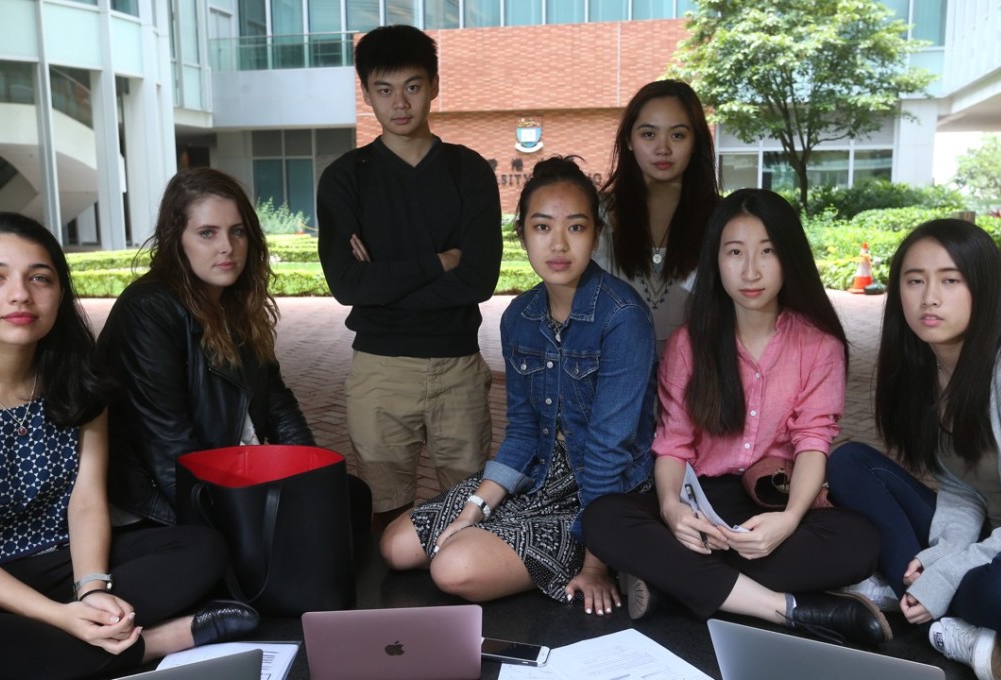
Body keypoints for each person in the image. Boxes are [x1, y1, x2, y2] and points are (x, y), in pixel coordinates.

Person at [583, 189, 889, 646]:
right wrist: (670, 509)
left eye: (767, 251)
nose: (751, 271)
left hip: (772, 502)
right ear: (716, 260)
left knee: (860, 543)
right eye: (735, 252)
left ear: (789, 257)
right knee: (603, 519)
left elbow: (813, 441)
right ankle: (785, 608)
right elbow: (673, 444)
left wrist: (789, 520)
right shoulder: (689, 344)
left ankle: (673, 581)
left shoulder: (819, 346)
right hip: (701, 501)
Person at [379, 157, 655, 615]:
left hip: (606, 486)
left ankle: (622, 553)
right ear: (522, 234)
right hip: (540, 469)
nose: (559, 244)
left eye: (576, 227)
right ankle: (512, 544)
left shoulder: (622, 316)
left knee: (452, 569)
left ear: (596, 235)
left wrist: (596, 564)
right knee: (395, 547)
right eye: (542, 227)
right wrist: (474, 510)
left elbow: (610, 450)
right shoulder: (520, 317)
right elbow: (524, 432)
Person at [0, 212, 257, 679]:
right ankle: (156, 641)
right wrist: (58, 616)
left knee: (202, 548)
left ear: (60, 293)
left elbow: (86, 502)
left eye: (39, 278)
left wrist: (92, 590)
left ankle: (77, 637)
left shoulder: (79, 381)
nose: (20, 295)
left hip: (62, 560)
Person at [317, 25, 503, 532]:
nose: (400, 103)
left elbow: (479, 280)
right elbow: (348, 286)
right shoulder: (346, 177)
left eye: (413, 86)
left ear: (434, 85)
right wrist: (440, 262)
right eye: (384, 89)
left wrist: (383, 281)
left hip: (458, 368)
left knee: (469, 514)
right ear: (366, 93)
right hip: (380, 370)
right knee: (385, 513)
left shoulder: (468, 171)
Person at [827, 220, 1001, 680]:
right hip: (983, 538)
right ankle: (942, 622)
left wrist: (948, 572)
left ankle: (915, 596)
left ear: (984, 289)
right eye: (914, 281)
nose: (929, 297)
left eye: (950, 280)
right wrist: (942, 555)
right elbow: (960, 486)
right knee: (849, 462)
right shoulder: (922, 372)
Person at [98, 168, 316, 527]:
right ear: (176, 241)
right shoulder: (149, 309)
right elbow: (169, 445)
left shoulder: (235, 303)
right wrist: (227, 525)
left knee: (345, 499)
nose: (227, 246)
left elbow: (278, 405)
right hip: (163, 501)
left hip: (232, 475)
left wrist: (312, 478)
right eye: (207, 233)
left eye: (237, 231)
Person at [593, 80, 720, 356]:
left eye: (678, 135)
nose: (663, 148)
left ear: (696, 142)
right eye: (649, 134)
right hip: (613, 372)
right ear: (629, 140)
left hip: (696, 373)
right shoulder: (596, 215)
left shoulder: (722, 220)